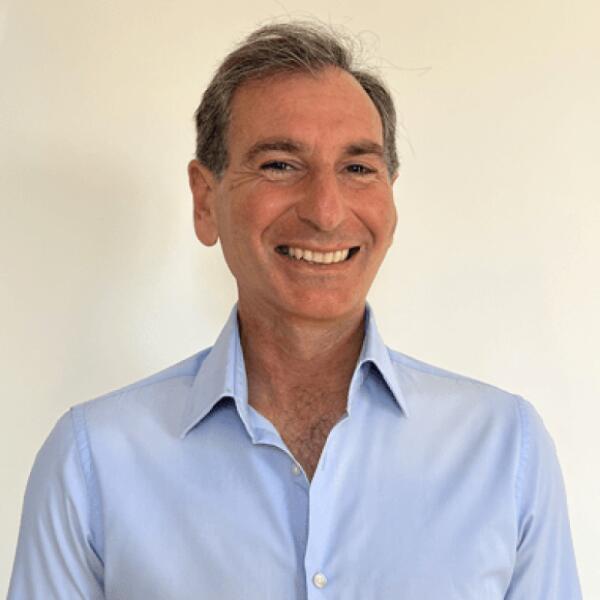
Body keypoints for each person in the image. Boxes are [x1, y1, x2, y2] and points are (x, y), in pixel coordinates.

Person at [8, 22, 581, 599]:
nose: (326, 212)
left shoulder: (504, 448)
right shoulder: (93, 461)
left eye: (358, 168)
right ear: (206, 200)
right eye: (280, 165)